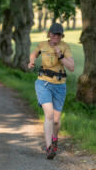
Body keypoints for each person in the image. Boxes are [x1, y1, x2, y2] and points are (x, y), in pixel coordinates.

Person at [28, 23, 75, 160]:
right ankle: (49, 148)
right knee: (48, 114)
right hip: (43, 83)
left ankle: (55, 139)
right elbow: (33, 54)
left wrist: (61, 56)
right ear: (49, 34)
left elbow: (72, 67)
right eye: (53, 34)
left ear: (62, 36)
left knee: (55, 120)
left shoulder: (65, 47)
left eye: (58, 34)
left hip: (59, 86)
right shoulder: (42, 45)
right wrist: (31, 62)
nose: (55, 37)